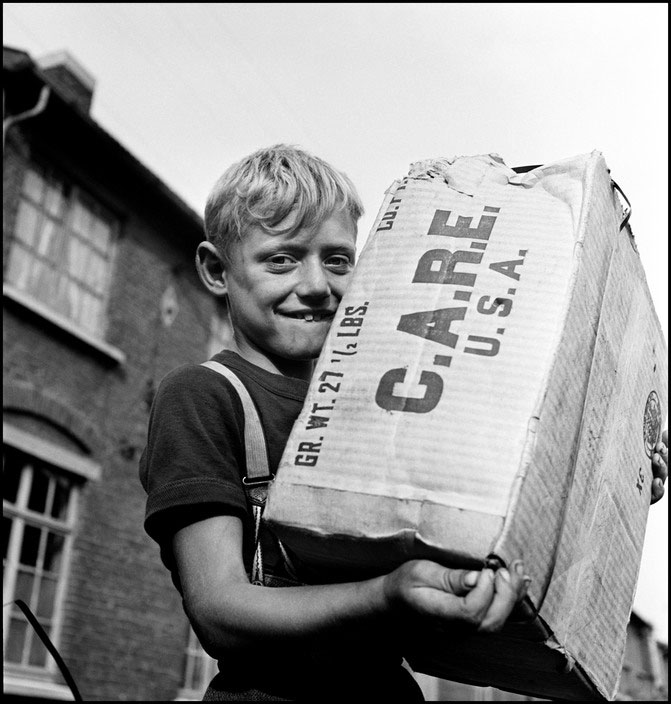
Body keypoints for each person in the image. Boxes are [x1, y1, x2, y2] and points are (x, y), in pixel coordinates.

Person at [139, 145, 668, 701]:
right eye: (282, 259)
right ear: (216, 270)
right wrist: (388, 594)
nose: (317, 284)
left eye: (338, 259)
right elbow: (218, 609)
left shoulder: (376, 391)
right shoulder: (204, 396)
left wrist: (614, 484)